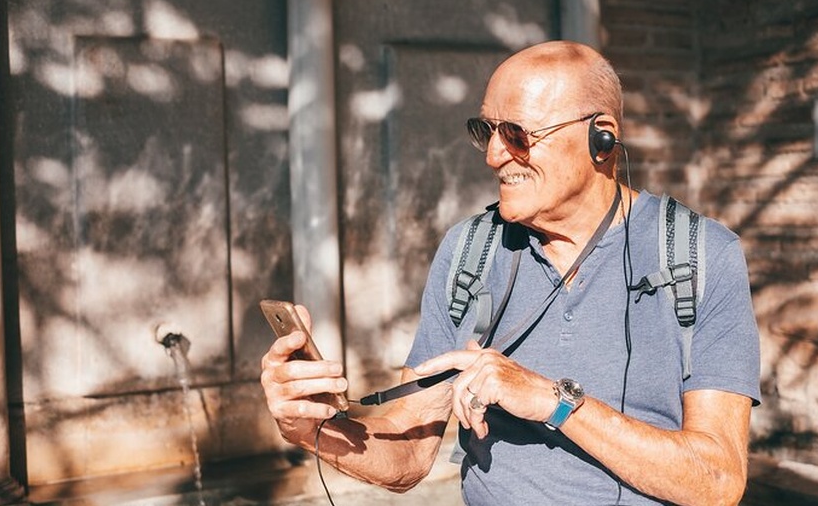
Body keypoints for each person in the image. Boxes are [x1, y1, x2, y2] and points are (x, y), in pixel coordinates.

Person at [261, 40, 760, 505]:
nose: (496, 155)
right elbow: (410, 455)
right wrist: (312, 427)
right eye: (487, 132)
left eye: (518, 135)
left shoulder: (699, 255)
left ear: (601, 138)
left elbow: (717, 482)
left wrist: (550, 400)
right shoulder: (469, 252)